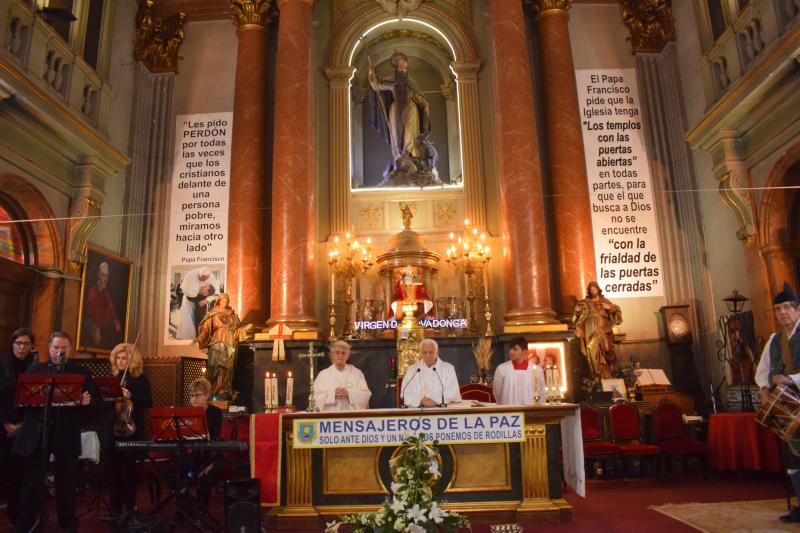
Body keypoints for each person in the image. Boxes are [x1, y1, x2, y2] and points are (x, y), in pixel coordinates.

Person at [13, 332, 96, 533]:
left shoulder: (81, 372)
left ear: (70, 350)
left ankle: (67, 522)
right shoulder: (36, 369)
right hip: (38, 432)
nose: (60, 351)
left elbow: (94, 408)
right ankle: (28, 520)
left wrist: (87, 402)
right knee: (33, 479)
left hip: (66, 432)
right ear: (49, 349)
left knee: (66, 480)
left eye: (64, 348)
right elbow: (24, 401)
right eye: (56, 348)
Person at [755, 282, 800, 523]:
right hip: (785, 407)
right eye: (778, 309)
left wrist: (791, 378)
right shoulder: (774, 339)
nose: (782, 313)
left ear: (798, 310)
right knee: (793, 456)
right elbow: (762, 371)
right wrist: (763, 389)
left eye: (786, 308)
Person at [368, 51, 439, 185]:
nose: (403, 69)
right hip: (395, 110)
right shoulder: (392, 81)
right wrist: (372, 76)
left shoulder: (410, 83)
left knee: (409, 134)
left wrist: (425, 105)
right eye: (401, 67)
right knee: (395, 133)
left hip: (410, 109)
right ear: (397, 68)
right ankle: (399, 157)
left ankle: (410, 156)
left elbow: (419, 97)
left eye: (405, 67)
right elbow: (377, 85)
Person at [100, 343, 152, 525]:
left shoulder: (140, 380)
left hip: (132, 430)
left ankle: (128, 509)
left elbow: (148, 401)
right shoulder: (112, 379)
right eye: (118, 358)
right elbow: (103, 405)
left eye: (124, 358)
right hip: (112, 431)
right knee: (113, 473)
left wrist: (131, 396)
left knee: (129, 472)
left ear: (132, 360)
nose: (121, 362)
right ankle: (115, 509)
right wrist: (113, 396)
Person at [0, 328, 37, 526]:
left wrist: (21, 427)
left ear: (32, 347)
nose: (21, 347)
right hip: (3, 428)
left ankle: (18, 519)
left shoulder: (35, 369)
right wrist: (6, 424)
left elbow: (36, 404)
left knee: (19, 477)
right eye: (18, 343)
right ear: (12, 344)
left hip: (25, 431)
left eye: (26, 344)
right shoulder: (2, 366)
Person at [195, 293, 244, 400]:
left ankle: (225, 388)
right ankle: (212, 389)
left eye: (227, 302)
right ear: (219, 301)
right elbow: (206, 329)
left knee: (228, 367)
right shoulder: (212, 314)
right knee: (214, 365)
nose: (225, 303)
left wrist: (239, 328)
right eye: (223, 301)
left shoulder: (232, 314)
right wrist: (200, 337)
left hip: (230, 343)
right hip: (217, 342)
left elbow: (237, 327)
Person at [185, 378, 223, 511]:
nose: (194, 399)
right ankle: (187, 506)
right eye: (191, 396)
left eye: (198, 395)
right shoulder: (186, 414)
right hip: (195, 455)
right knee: (177, 474)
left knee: (205, 478)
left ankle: (202, 510)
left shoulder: (215, 413)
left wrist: (210, 463)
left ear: (207, 395)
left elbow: (216, 438)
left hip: (212, 455)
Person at [573, 281, 622, 378]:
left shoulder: (605, 301)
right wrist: (577, 312)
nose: (593, 291)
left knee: (607, 348)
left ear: (598, 290)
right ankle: (598, 373)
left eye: (594, 289)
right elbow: (576, 318)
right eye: (591, 290)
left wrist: (611, 307)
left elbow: (616, 313)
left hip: (604, 329)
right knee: (593, 352)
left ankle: (612, 365)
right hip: (590, 329)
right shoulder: (585, 303)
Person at [313, 341, 372, 411]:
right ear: (332, 355)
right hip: (330, 418)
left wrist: (348, 394)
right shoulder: (323, 375)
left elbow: (366, 395)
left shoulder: (356, 373)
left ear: (347, 355)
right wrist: (333, 394)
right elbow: (315, 398)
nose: (340, 355)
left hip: (352, 417)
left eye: (343, 353)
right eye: (337, 352)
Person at [402, 339, 461, 407]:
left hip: (442, 410)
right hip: (418, 410)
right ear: (420, 353)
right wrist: (420, 401)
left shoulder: (448, 368)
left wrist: (435, 401)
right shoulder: (412, 370)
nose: (428, 355)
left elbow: (452, 391)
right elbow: (407, 391)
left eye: (431, 352)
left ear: (437, 352)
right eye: (425, 352)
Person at [493, 336, 546, 405]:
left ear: (524, 351)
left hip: (530, 411)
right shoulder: (502, 369)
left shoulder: (537, 370)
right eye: (510, 349)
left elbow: (542, 392)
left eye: (515, 349)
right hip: (509, 411)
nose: (511, 352)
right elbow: (497, 392)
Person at [83, 262, 123, 349]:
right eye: (103, 275)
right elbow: (87, 315)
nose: (105, 278)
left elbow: (111, 310)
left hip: (104, 329)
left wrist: (115, 320)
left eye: (107, 276)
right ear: (98, 275)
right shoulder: (92, 291)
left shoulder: (106, 294)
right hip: (92, 328)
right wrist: (94, 328)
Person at [177, 267, 218, 340]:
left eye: (205, 286)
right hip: (191, 300)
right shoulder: (191, 276)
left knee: (199, 320)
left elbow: (216, 294)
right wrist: (198, 293)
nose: (203, 284)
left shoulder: (211, 280)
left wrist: (207, 299)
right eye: (202, 279)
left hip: (202, 302)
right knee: (190, 321)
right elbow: (188, 295)